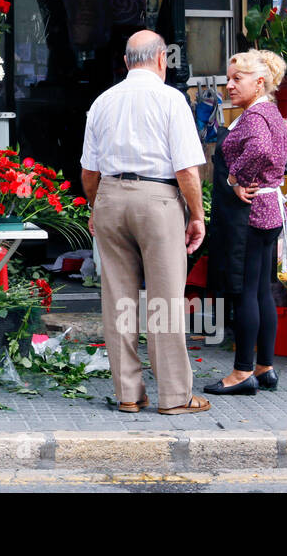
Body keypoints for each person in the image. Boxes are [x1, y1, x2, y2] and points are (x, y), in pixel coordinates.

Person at [81, 31, 209, 415]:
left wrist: (97, 205)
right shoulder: (171, 99)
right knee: (165, 300)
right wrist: (197, 214)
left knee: (118, 298)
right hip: (157, 200)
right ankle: (174, 396)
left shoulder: (102, 101)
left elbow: (89, 170)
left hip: (109, 197)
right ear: (161, 60)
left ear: (126, 62)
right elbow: (187, 168)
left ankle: (129, 395)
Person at [204, 50, 287, 397]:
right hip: (270, 208)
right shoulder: (270, 112)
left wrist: (235, 178)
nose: (229, 85)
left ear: (260, 82)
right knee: (260, 291)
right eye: (229, 78)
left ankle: (242, 372)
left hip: (253, 213)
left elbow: (259, 150)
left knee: (245, 294)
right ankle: (264, 367)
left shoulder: (254, 118)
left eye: (237, 78)